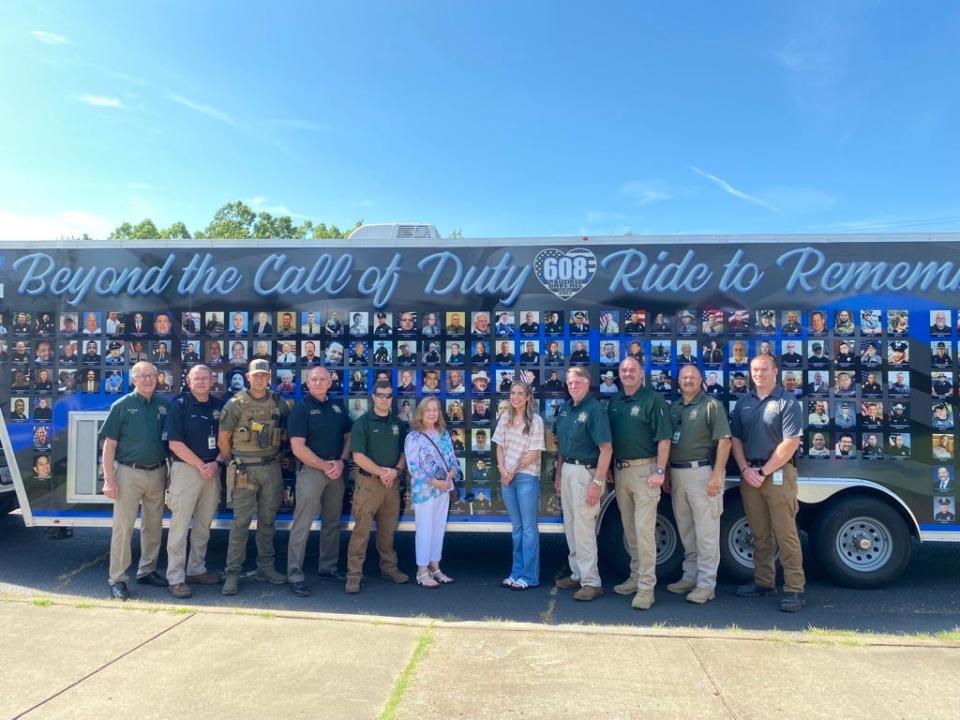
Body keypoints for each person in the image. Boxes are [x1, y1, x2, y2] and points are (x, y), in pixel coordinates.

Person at [730, 354, 805, 613]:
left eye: (764, 369)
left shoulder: (787, 401)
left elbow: (791, 443)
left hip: (777, 474)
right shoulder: (743, 403)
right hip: (749, 473)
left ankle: (795, 589)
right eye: (754, 369)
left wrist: (763, 471)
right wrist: (744, 469)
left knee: (785, 533)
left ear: (775, 371)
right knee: (759, 533)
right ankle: (764, 582)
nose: (758, 374)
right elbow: (736, 440)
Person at [602, 357, 671, 609]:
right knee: (629, 530)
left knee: (644, 532)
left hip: (646, 471)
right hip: (621, 472)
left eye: (632, 370)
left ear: (642, 373)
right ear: (618, 374)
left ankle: (646, 588)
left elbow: (664, 439)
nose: (628, 373)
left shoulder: (653, 400)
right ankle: (634, 576)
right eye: (624, 370)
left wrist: (660, 470)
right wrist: (610, 468)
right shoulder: (615, 402)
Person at [219, 359, 291, 595]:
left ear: (269, 377)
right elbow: (224, 440)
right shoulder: (236, 404)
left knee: (268, 522)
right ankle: (232, 573)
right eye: (256, 375)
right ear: (248, 377)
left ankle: (266, 568)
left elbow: (286, 434)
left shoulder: (279, 402)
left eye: (264, 375)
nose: (260, 379)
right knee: (240, 523)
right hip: (244, 470)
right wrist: (234, 462)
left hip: (271, 469)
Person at [100, 362, 171, 600]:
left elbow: (169, 443)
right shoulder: (121, 406)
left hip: (158, 471)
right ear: (133, 379)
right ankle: (117, 579)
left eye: (152, 375)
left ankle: (147, 570)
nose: (149, 379)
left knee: (153, 525)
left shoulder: (164, 405)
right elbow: (109, 446)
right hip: (128, 473)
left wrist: (169, 473)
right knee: (123, 527)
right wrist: (109, 479)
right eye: (142, 376)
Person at [667, 364, 732, 605]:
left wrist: (717, 475)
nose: (688, 381)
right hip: (678, 475)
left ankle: (706, 585)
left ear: (701, 381)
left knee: (706, 532)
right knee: (687, 530)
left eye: (692, 377)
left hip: (703, 474)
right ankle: (690, 576)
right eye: (684, 377)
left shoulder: (711, 405)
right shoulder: (675, 408)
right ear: (678, 381)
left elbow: (724, 442)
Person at [286, 367, 352, 596]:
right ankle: (294, 574)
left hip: (336, 470)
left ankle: (328, 568)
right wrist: (324, 466)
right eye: (313, 379)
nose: (318, 382)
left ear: (329, 383)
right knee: (302, 523)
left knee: (332, 522)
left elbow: (348, 436)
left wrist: (342, 462)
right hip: (312, 472)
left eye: (322, 379)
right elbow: (297, 447)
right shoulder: (301, 409)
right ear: (307, 382)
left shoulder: (337, 406)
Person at [163, 365, 226, 599]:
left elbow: (227, 442)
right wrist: (202, 465)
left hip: (212, 471)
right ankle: (176, 578)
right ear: (188, 381)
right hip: (187, 470)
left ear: (212, 380)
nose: (200, 382)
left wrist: (216, 463)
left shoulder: (220, 407)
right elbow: (174, 444)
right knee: (179, 527)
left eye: (205, 378)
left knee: (203, 526)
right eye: (196, 378)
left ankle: (196, 570)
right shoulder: (179, 406)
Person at [554, 366, 613, 602]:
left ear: (587, 383)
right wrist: (558, 474)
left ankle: (591, 582)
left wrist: (597, 483)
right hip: (567, 468)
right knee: (570, 524)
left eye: (578, 382)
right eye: (570, 382)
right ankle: (577, 573)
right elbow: (560, 445)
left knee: (584, 528)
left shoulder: (595, 410)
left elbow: (606, 449)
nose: (573, 386)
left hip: (585, 472)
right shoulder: (567, 408)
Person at [345, 381, 410, 593]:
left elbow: (404, 453)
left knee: (387, 531)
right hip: (369, 484)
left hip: (391, 484)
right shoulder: (362, 423)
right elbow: (358, 456)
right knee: (361, 531)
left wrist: (396, 471)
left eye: (388, 396)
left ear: (392, 398)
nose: (384, 399)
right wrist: (382, 472)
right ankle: (354, 575)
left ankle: (389, 569)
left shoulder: (397, 424)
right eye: (380, 395)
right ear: (373, 397)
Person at [492, 382, 545, 591]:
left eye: (520, 394)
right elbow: (499, 446)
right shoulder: (505, 418)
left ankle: (529, 577)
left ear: (528, 397)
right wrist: (502, 469)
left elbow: (533, 454)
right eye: (512, 393)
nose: (515, 397)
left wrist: (511, 471)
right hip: (507, 478)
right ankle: (515, 573)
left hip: (525, 478)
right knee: (517, 529)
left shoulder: (536, 421)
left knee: (529, 529)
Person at [404, 397, 459, 588]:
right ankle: (421, 571)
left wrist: (451, 474)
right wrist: (435, 482)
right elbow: (414, 468)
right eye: (428, 410)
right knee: (424, 530)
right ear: (420, 412)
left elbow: (453, 460)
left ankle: (435, 568)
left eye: (435, 410)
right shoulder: (413, 437)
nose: (432, 413)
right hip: (425, 491)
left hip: (443, 490)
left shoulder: (444, 435)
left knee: (438, 530)